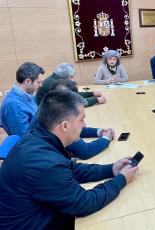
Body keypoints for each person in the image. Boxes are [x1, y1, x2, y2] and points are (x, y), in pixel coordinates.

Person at [0, 89, 139, 229]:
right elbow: (85, 203)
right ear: (65, 126)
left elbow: (70, 168)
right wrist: (122, 179)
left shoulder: (37, 137)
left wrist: (111, 169)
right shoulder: (46, 164)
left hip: (36, 213)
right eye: (81, 119)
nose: (84, 125)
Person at [31, 80, 115, 160]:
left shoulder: (50, 107)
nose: (83, 124)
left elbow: (76, 129)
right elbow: (85, 151)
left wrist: (99, 132)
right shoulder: (60, 117)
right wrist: (106, 138)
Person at [0, 62, 44, 136]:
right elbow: (24, 137)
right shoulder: (13, 105)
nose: (41, 85)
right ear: (28, 81)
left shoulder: (29, 94)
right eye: (39, 82)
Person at [36, 63, 106, 106]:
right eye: (72, 76)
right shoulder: (59, 85)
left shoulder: (53, 79)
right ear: (69, 77)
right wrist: (96, 100)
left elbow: (73, 95)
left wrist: (92, 93)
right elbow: (75, 103)